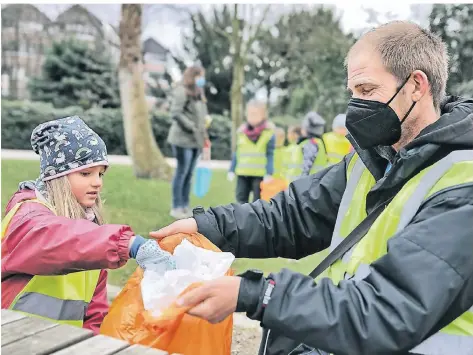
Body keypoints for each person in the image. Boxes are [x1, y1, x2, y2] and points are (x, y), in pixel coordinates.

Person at [151, 21, 473, 355]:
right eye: (352, 93)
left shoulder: (463, 182)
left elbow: (389, 311)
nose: (355, 106)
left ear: (416, 86)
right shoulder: (376, 157)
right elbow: (292, 216)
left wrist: (256, 294)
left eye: (366, 90)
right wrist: (209, 227)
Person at [1, 116, 174, 334]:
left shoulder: (90, 234)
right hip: (12, 339)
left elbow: (94, 312)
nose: (98, 182)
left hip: (61, 344)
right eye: (85, 173)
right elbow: (59, 239)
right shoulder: (28, 217)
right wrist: (129, 243)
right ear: (57, 177)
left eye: (100, 173)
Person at [167, 65, 210, 219]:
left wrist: (204, 134)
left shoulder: (199, 93)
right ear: (193, 76)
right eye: (200, 76)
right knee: (182, 172)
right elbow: (175, 113)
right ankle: (176, 206)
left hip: (196, 140)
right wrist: (192, 127)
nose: (202, 80)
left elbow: (202, 115)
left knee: (189, 174)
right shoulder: (181, 91)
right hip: (182, 139)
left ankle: (185, 206)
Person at [227, 100, 275, 204]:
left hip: (259, 175)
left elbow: (270, 154)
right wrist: (231, 169)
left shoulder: (269, 132)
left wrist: (269, 172)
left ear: (263, 115)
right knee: (240, 199)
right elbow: (237, 152)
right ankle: (240, 219)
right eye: (250, 114)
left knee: (257, 202)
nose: (252, 117)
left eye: (255, 114)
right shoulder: (241, 132)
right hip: (242, 173)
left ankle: (255, 220)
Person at [284, 112, 328, 181]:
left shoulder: (311, 143)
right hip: (310, 184)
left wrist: (299, 187)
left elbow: (306, 168)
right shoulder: (316, 142)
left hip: (305, 185)